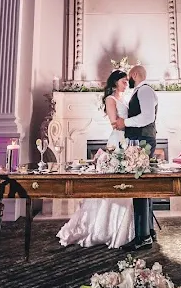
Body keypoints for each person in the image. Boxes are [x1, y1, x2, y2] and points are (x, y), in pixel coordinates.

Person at [56, 70, 134, 249]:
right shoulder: (110, 100)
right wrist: (132, 124)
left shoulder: (124, 99)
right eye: (123, 81)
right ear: (115, 82)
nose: (126, 84)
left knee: (126, 184)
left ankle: (123, 227)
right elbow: (114, 123)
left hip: (127, 140)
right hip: (118, 141)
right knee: (114, 183)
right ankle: (104, 229)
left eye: (126, 81)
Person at [114, 64, 158, 250]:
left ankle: (143, 237)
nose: (128, 81)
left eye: (129, 77)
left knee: (139, 187)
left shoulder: (145, 90)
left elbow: (147, 117)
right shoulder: (141, 91)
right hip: (140, 141)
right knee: (143, 187)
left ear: (135, 74)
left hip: (142, 142)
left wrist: (125, 122)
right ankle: (148, 232)